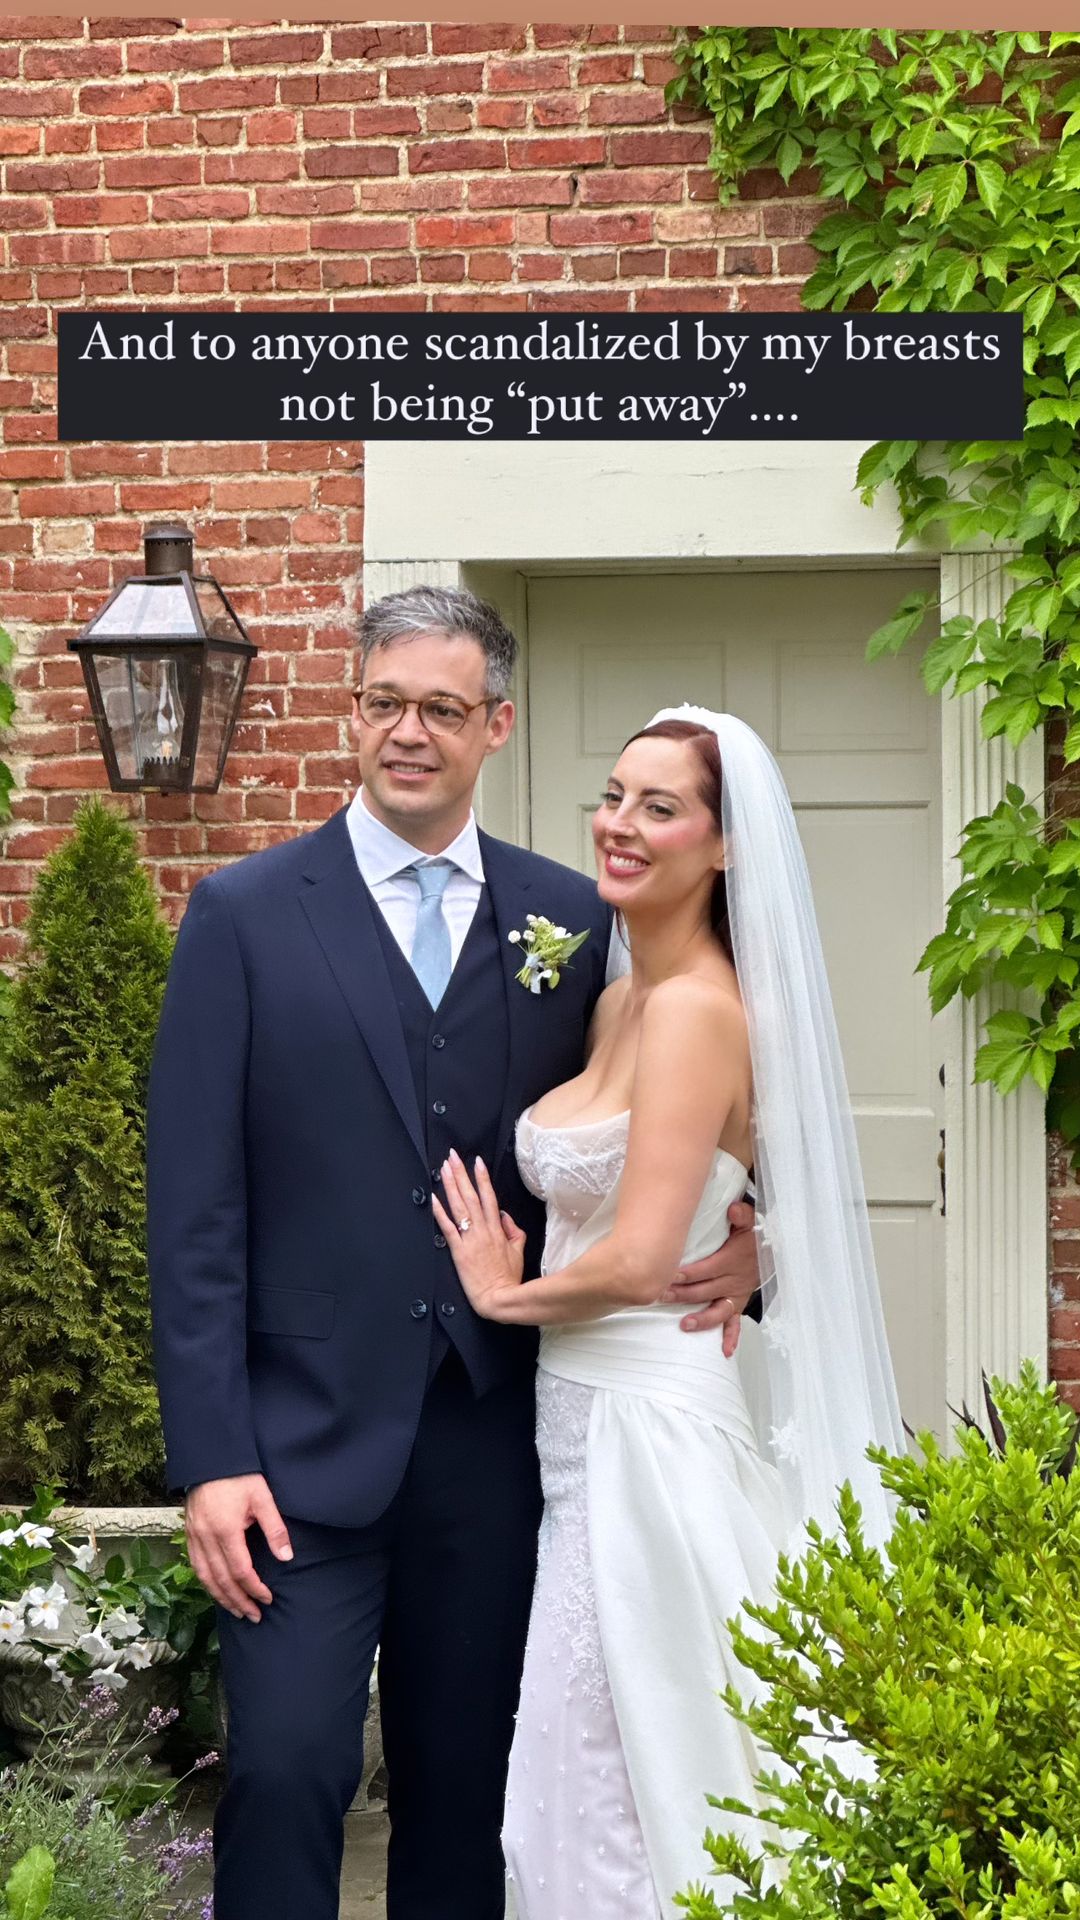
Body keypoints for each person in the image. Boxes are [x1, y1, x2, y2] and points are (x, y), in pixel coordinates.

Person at [146, 594, 761, 1920]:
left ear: (496, 724)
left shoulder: (570, 920)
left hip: (499, 1451)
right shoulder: (242, 917)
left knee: (471, 1798)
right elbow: (194, 1213)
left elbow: (695, 1106)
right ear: (351, 712)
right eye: (382, 703)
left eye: (439, 708)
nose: (405, 733)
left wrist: (749, 1236)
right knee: (290, 1773)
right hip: (294, 1463)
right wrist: (210, 1459)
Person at [433, 708, 905, 1919]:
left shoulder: (697, 1008)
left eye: (661, 806)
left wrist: (503, 1290)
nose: (620, 824)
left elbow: (644, 1257)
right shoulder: (619, 997)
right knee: (583, 1782)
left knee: (642, 1781)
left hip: (650, 1433)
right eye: (613, 795)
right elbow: (710, 1196)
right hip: (581, 1436)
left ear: (725, 845)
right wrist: (748, 1234)